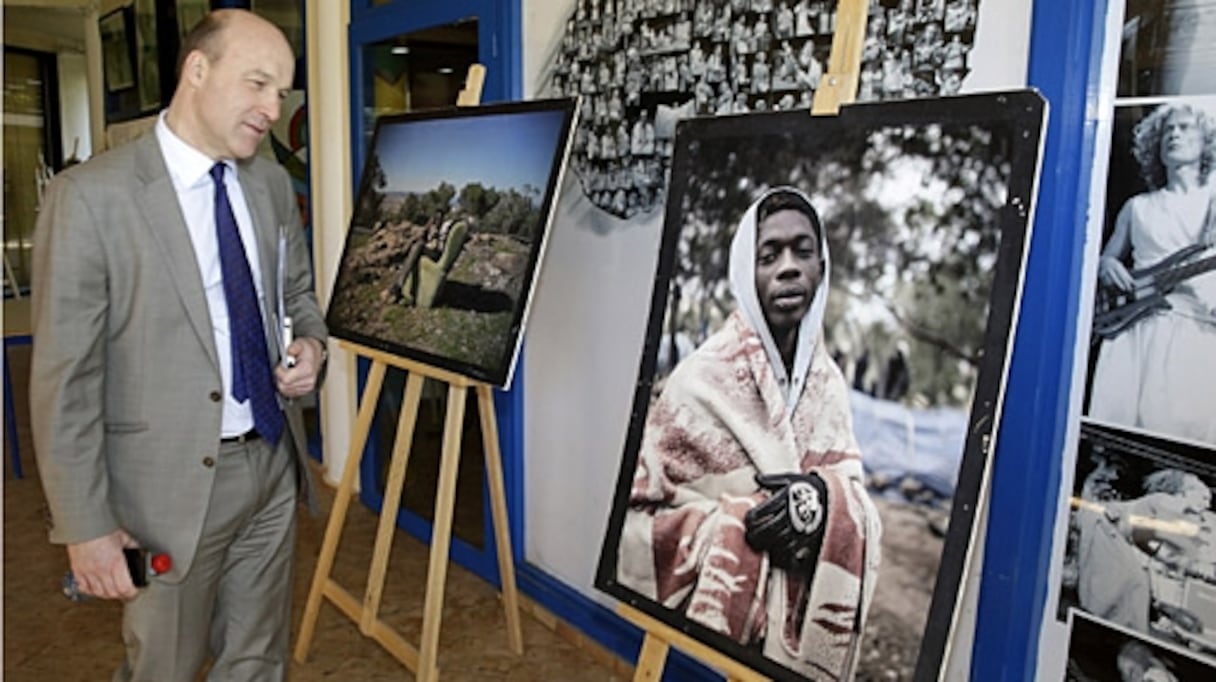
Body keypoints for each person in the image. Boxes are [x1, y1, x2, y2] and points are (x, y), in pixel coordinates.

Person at [30, 10, 327, 681]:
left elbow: (300, 299)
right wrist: (86, 527)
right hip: (163, 491)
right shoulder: (91, 198)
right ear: (198, 70)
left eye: (281, 92)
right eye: (258, 84)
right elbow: (63, 381)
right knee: (162, 668)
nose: (272, 109)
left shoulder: (271, 184)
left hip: (273, 465)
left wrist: (312, 348)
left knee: (257, 661)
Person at [615, 188, 882, 680]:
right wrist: (733, 529)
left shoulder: (830, 387)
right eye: (769, 255)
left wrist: (822, 501)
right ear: (746, 271)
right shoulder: (697, 382)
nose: (787, 267)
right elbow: (632, 522)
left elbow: (858, 501)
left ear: (822, 268)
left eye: (803, 251)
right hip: (712, 645)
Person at [1089, 103, 1216, 448]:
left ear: (1206, 141)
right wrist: (1107, 265)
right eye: (1167, 131)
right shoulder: (1137, 207)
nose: (1174, 134)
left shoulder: (1212, 201)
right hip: (1134, 329)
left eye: (1186, 127)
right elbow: (1107, 258)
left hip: (1192, 328)